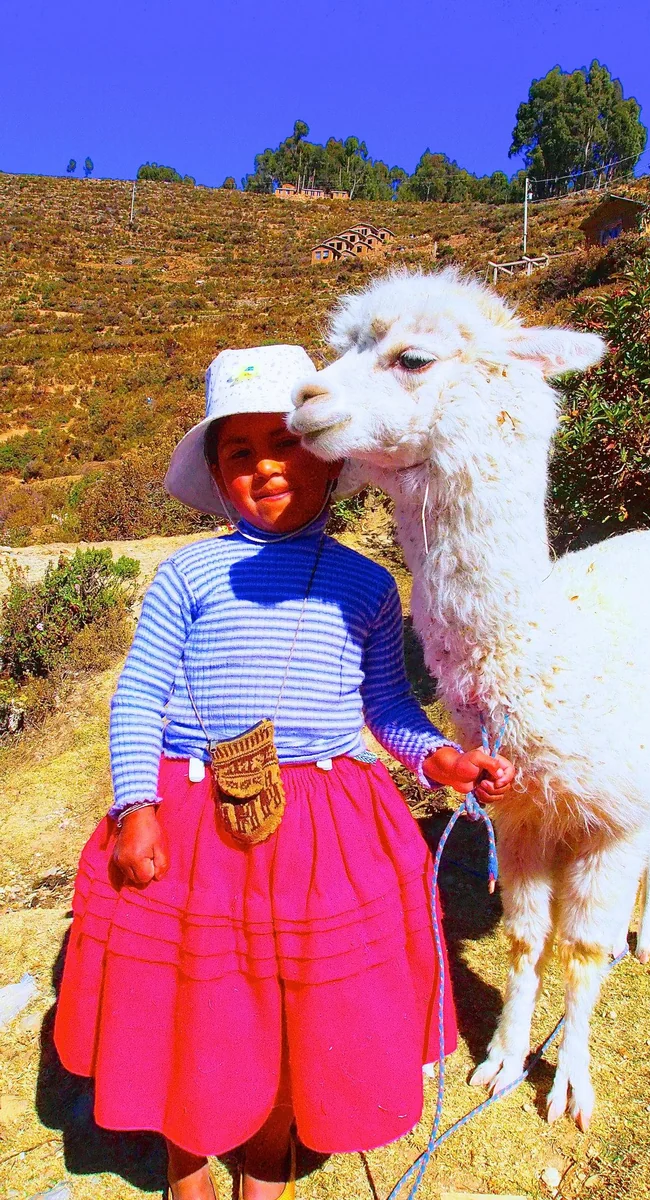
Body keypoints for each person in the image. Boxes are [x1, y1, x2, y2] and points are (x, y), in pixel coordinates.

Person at [54, 345, 514, 1200]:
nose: (266, 465)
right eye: (240, 451)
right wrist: (135, 804)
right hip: (196, 814)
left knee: (294, 1000)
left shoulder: (368, 586)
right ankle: (187, 1160)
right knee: (195, 996)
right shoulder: (188, 576)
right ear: (217, 474)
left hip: (325, 823)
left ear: (330, 456)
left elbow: (387, 705)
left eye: (287, 442)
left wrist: (441, 758)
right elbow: (140, 693)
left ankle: (269, 1155)